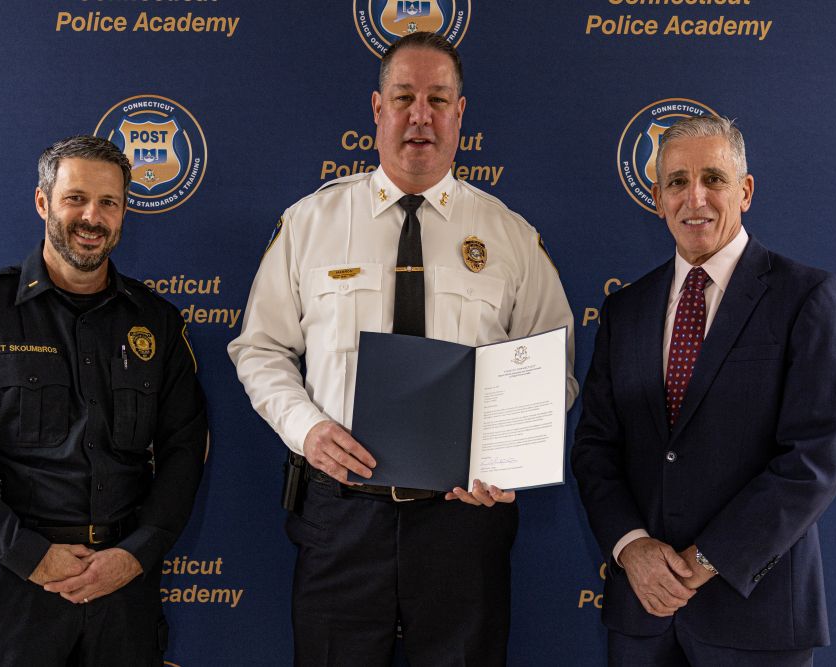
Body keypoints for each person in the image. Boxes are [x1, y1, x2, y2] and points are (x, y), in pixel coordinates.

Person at [228, 31, 577, 666]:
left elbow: (553, 370)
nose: (421, 116)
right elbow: (261, 349)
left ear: (460, 113)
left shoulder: (510, 236)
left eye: (438, 99)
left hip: (463, 521)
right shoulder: (310, 223)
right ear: (377, 108)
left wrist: (508, 459)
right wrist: (306, 430)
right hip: (341, 517)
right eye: (404, 97)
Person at [571, 116, 836, 666]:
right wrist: (632, 547)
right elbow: (595, 448)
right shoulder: (625, 310)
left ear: (745, 191)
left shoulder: (809, 297)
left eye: (713, 179)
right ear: (658, 198)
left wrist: (705, 560)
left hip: (757, 618)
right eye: (677, 182)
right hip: (642, 617)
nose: (694, 198)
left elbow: (813, 459)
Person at [0, 135, 208, 666]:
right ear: (43, 201)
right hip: (14, 587)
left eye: (108, 202)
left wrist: (136, 554)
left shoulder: (157, 322)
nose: (92, 217)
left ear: (123, 212)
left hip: (123, 590)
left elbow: (185, 450)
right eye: (76, 198)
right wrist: (31, 556)